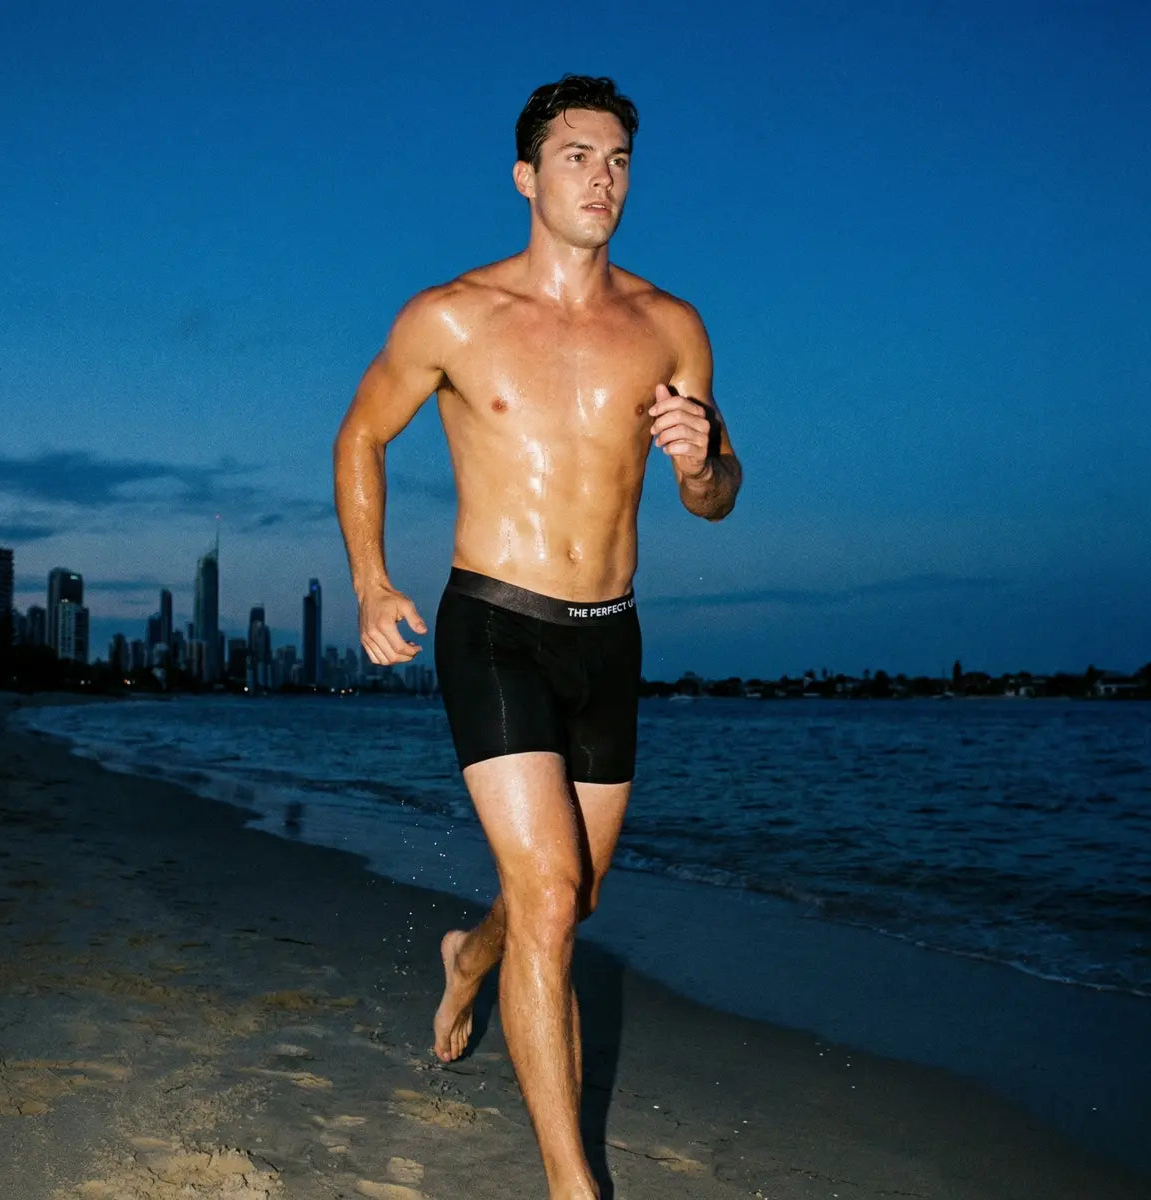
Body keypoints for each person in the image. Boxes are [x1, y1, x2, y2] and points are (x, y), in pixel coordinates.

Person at [333, 74, 741, 1200]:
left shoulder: (670, 326)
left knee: (561, 898)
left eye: (618, 160)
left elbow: (717, 499)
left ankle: (470, 958)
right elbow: (360, 437)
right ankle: (574, 1186)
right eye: (577, 156)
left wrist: (703, 459)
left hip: (611, 639)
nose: (602, 178)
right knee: (553, 898)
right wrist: (370, 582)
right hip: (496, 625)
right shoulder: (454, 315)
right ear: (526, 176)